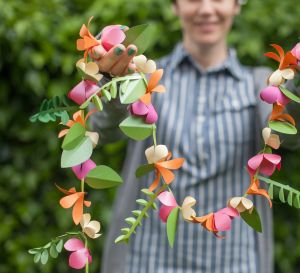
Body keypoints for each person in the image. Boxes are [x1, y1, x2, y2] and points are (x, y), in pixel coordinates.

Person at [89, 0, 298, 272]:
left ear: (237, 5)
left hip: (236, 263)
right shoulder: (144, 81)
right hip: (148, 261)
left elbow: (291, 134)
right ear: (175, 6)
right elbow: (102, 127)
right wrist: (111, 79)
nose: (206, 9)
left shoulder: (261, 86)